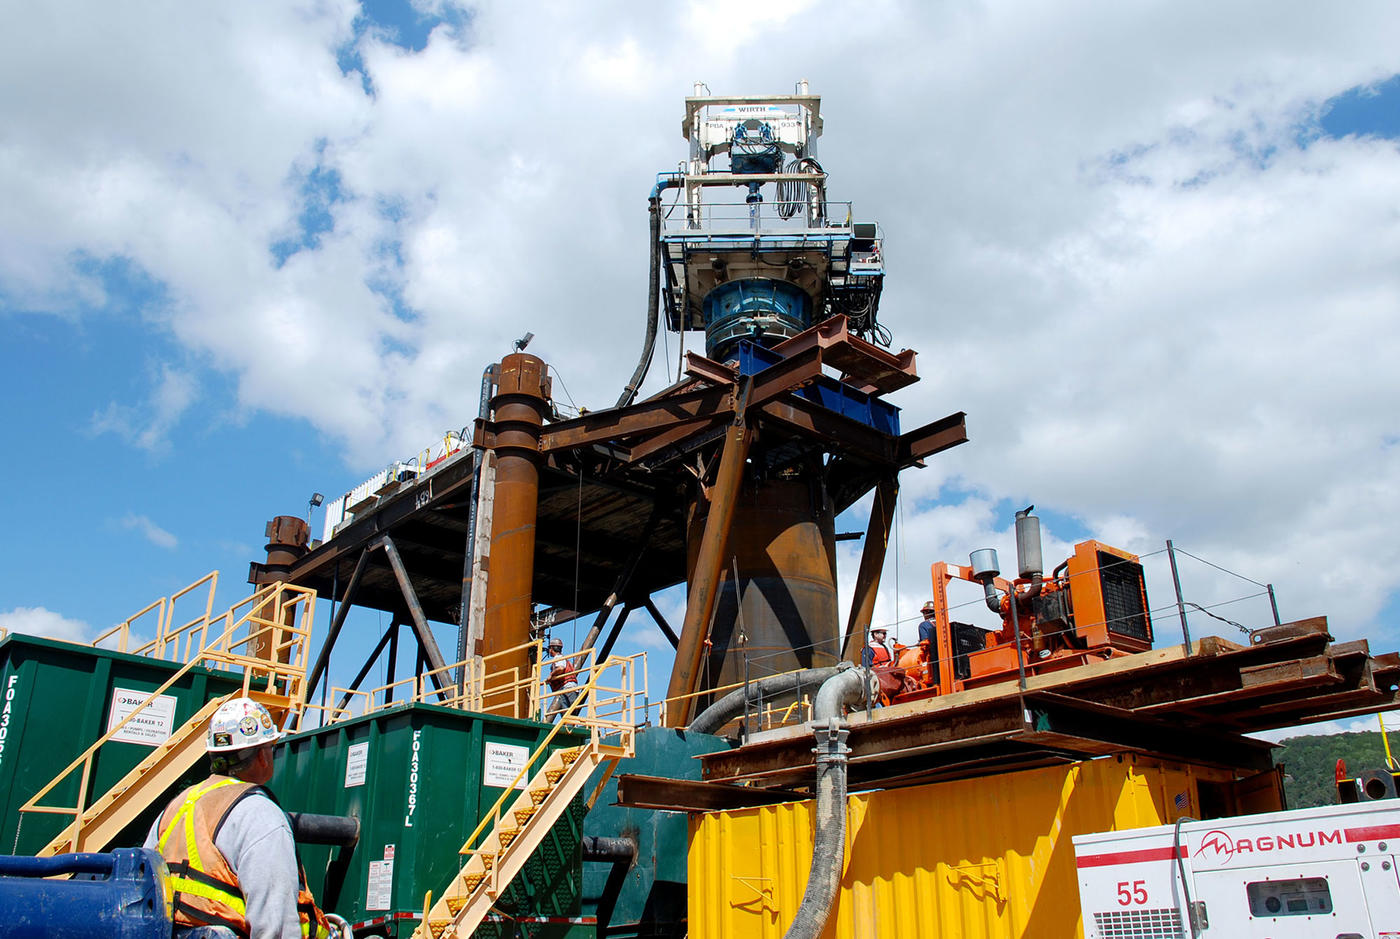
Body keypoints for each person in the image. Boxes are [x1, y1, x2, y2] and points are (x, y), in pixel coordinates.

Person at [145, 697, 330, 939]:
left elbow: (144, 879)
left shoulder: (177, 806)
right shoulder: (259, 814)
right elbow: (275, 924)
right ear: (263, 755)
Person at [546, 637, 580, 717]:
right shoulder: (560, 659)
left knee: (568, 711)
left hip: (567, 688)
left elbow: (561, 668)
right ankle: (569, 726)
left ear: (552, 648)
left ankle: (569, 726)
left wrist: (551, 675)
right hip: (565, 689)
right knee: (569, 713)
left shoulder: (558, 658)